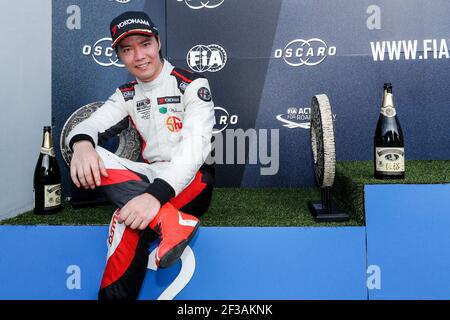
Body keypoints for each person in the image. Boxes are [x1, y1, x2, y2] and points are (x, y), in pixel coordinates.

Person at [65, 11, 215, 300]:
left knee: (125, 220)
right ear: (120, 56)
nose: (139, 56)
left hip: (191, 181)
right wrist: (82, 145)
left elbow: (195, 147)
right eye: (127, 49)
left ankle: (166, 216)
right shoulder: (127, 94)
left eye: (144, 44)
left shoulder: (191, 83)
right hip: (150, 177)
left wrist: (153, 196)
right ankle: (170, 221)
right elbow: (90, 125)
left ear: (157, 43)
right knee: (87, 150)